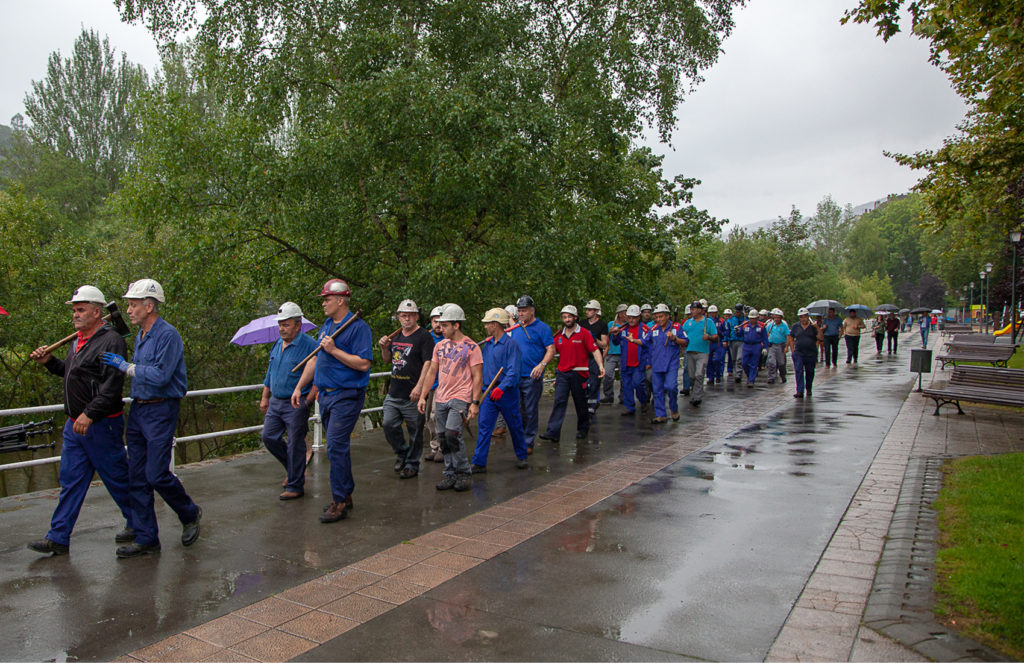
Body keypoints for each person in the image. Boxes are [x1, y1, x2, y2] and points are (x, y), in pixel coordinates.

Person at [27, 286, 135, 556]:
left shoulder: (111, 341)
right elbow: (72, 373)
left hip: (100, 424)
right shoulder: (78, 340)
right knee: (71, 481)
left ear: (98, 312)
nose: (75, 314)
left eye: (81, 309)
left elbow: (112, 385)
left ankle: (141, 526)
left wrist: (90, 413)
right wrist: (50, 362)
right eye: (74, 310)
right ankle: (58, 537)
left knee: (117, 479)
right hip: (75, 425)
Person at [100, 279, 201, 558]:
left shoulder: (168, 335)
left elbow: (160, 376)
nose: (129, 310)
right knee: (137, 477)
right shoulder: (142, 336)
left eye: (133, 305)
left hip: (160, 409)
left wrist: (127, 368)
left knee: (156, 474)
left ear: (150, 305)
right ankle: (147, 538)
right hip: (139, 409)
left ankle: (189, 513)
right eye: (129, 305)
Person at [293, 278, 372, 524]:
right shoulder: (327, 325)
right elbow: (315, 360)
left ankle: (339, 501)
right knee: (338, 447)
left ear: (341, 300)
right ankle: (346, 492)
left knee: (336, 446)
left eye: (327, 299)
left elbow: (363, 364)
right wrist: (300, 387)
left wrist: (334, 350)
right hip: (325, 395)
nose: (324, 303)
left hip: (346, 395)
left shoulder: (359, 328)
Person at [416, 304, 482, 491]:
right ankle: (449, 473)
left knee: (453, 433)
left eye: (444, 325)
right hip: (441, 396)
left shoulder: (471, 347)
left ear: (456, 325)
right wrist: (422, 396)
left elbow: (477, 376)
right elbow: (431, 372)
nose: (440, 328)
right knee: (444, 437)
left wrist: (475, 402)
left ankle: (463, 472)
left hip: (460, 396)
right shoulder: (439, 346)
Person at [260, 302, 318, 500]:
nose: (282, 329)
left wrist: (308, 401)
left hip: (296, 402)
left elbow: (319, 373)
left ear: (298, 325)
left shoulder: (309, 345)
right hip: (276, 401)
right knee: (268, 437)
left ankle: (295, 485)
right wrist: (264, 396)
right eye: (280, 325)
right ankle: (294, 470)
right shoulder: (278, 344)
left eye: (286, 325)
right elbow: (271, 371)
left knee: (295, 443)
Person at [379, 299, 434, 479]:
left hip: (413, 394)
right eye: (403, 315)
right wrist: (384, 348)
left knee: (415, 431)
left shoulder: (424, 336)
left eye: (410, 315)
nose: (407, 319)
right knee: (388, 424)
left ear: (416, 316)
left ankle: (412, 464)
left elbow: (428, 363)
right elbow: (388, 360)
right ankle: (402, 454)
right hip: (395, 392)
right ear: (399, 317)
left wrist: (420, 387)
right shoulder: (396, 336)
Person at [471, 308, 527, 472]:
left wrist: (502, 388)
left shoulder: (511, 345)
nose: (485, 327)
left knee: (514, 425)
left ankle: (522, 456)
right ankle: (479, 462)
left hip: (507, 393)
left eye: (487, 323)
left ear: (495, 325)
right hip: (489, 392)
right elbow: (483, 368)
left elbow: (513, 372)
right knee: (484, 426)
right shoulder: (488, 345)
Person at [538, 305, 604, 441]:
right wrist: (541, 364)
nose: (567, 320)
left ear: (575, 317)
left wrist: (600, 366)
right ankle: (553, 432)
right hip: (562, 373)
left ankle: (583, 428)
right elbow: (550, 351)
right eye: (564, 317)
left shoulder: (584, 333)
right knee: (559, 401)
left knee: (580, 403)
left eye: (569, 317)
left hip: (579, 373)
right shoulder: (558, 336)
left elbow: (595, 350)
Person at [508, 295, 555, 453]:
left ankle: (528, 441)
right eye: (519, 311)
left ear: (532, 310)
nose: (521, 313)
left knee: (530, 409)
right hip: (515, 375)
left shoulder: (543, 328)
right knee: (517, 410)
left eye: (524, 310)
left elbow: (550, 349)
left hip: (532, 376)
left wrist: (542, 365)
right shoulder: (516, 328)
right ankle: (519, 440)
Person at [646, 303, 685, 423]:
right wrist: (632, 340)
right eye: (656, 317)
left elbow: (685, 342)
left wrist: (674, 338)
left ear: (668, 316)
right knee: (657, 390)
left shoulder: (677, 327)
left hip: (671, 364)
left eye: (661, 316)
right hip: (657, 364)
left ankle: (674, 409)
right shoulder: (653, 329)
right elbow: (645, 343)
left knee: (671, 387)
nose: (659, 319)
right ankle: (661, 414)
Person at [611, 305, 648, 415]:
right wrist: (615, 335)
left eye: (634, 317)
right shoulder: (623, 329)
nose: (631, 320)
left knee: (638, 383)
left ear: (639, 317)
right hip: (626, 363)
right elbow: (616, 342)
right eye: (629, 317)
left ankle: (643, 401)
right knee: (626, 385)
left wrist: (648, 362)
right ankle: (629, 407)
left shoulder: (644, 329)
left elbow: (649, 345)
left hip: (639, 363)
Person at [680, 301, 718, 406]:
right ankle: (695, 391)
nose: (692, 311)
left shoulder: (708, 322)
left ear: (701, 310)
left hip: (702, 352)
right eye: (691, 309)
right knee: (691, 375)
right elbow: (682, 337)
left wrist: (709, 337)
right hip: (689, 351)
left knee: (699, 374)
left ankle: (697, 397)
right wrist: (682, 347)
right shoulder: (687, 323)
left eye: (695, 309)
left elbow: (715, 336)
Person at [422, 306, 446, 462]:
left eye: (440, 321)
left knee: (437, 415)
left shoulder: (448, 339)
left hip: (442, 384)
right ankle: (434, 447)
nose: (437, 324)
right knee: (427, 418)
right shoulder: (425, 338)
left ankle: (443, 448)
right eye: (435, 321)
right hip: (427, 383)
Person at [579, 300, 609, 414]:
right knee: (583, 382)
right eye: (586, 309)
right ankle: (585, 403)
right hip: (583, 357)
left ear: (596, 311)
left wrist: (594, 339)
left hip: (595, 357)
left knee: (594, 381)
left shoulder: (602, 325)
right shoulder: (582, 324)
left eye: (590, 310)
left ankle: (592, 404)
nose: (587, 312)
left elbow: (604, 344)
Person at [788, 307, 819, 398]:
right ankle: (799, 390)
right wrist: (792, 350)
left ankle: (808, 388)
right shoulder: (795, 326)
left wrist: (817, 327)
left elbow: (820, 337)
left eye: (805, 316)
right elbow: (791, 337)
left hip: (811, 353)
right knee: (798, 370)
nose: (803, 318)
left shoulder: (813, 327)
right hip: (799, 352)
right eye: (801, 317)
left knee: (810, 372)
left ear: (808, 316)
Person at [600, 304, 627, 404]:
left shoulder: (628, 325)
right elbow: (605, 338)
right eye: (623, 312)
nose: (625, 315)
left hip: (624, 353)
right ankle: (608, 395)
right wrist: (610, 332)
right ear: (619, 314)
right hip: (611, 353)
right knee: (608, 375)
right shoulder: (611, 324)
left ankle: (623, 396)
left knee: (623, 376)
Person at [737, 308, 768, 387]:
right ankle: (749, 375)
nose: (752, 320)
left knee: (754, 364)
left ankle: (751, 380)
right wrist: (737, 331)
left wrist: (765, 347)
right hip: (746, 345)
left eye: (754, 318)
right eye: (751, 318)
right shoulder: (745, 325)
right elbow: (740, 334)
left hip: (756, 346)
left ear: (757, 318)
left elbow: (765, 338)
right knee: (744, 363)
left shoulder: (761, 326)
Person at [765, 308, 790, 384]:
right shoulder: (771, 325)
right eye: (775, 317)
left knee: (781, 363)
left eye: (778, 317)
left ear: (781, 318)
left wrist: (786, 346)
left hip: (780, 345)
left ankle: (782, 375)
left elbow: (788, 336)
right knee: (771, 362)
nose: (776, 319)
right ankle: (771, 377)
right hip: (772, 345)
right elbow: (766, 334)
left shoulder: (784, 326)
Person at [705, 305, 727, 384]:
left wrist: (722, 336)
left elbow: (726, 332)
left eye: (714, 313)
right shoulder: (706, 321)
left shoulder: (721, 321)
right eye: (711, 313)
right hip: (709, 342)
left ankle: (718, 375)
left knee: (717, 359)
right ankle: (710, 377)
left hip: (718, 342)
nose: (712, 314)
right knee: (709, 360)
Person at [726, 304, 745, 383]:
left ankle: (738, 374)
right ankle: (735, 372)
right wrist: (726, 340)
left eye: (739, 312)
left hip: (742, 341)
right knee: (733, 359)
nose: (738, 313)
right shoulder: (730, 320)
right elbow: (727, 331)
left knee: (739, 358)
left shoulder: (745, 320)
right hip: (732, 340)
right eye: (737, 312)